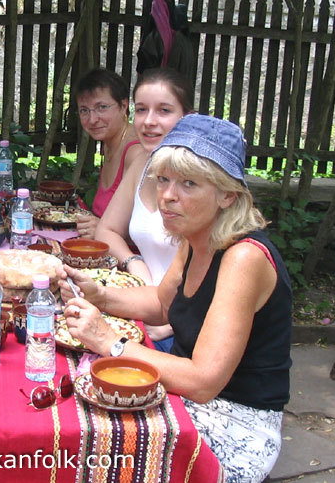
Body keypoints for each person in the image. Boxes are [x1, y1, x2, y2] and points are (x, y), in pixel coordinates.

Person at [60, 114, 292, 483]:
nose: (168, 195)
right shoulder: (197, 235)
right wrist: (101, 295)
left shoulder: (243, 258)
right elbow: (163, 304)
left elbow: (203, 380)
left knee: (98, 448)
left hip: (234, 422)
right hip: (189, 398)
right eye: (163, 179)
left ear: (227, 193)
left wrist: (108, 341)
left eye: (188, 183)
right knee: (83, 423)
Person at [95, 68, 194, 349]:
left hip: (181, 329)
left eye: (163, 111)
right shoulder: (143, 163)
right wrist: (134, 262)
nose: (149, 122)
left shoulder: (200, 183)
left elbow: (221, 278)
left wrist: (174, 321)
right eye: (141, 110)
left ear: (188, 117)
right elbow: (106, 230)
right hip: (142, 307)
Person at [73, 68, 143, 239]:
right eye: (84, 110)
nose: (92, 119)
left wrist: (103, 228)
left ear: (124, 106)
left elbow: (146, 229)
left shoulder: (135, 153)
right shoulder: (109, 144)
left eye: (101, 107)